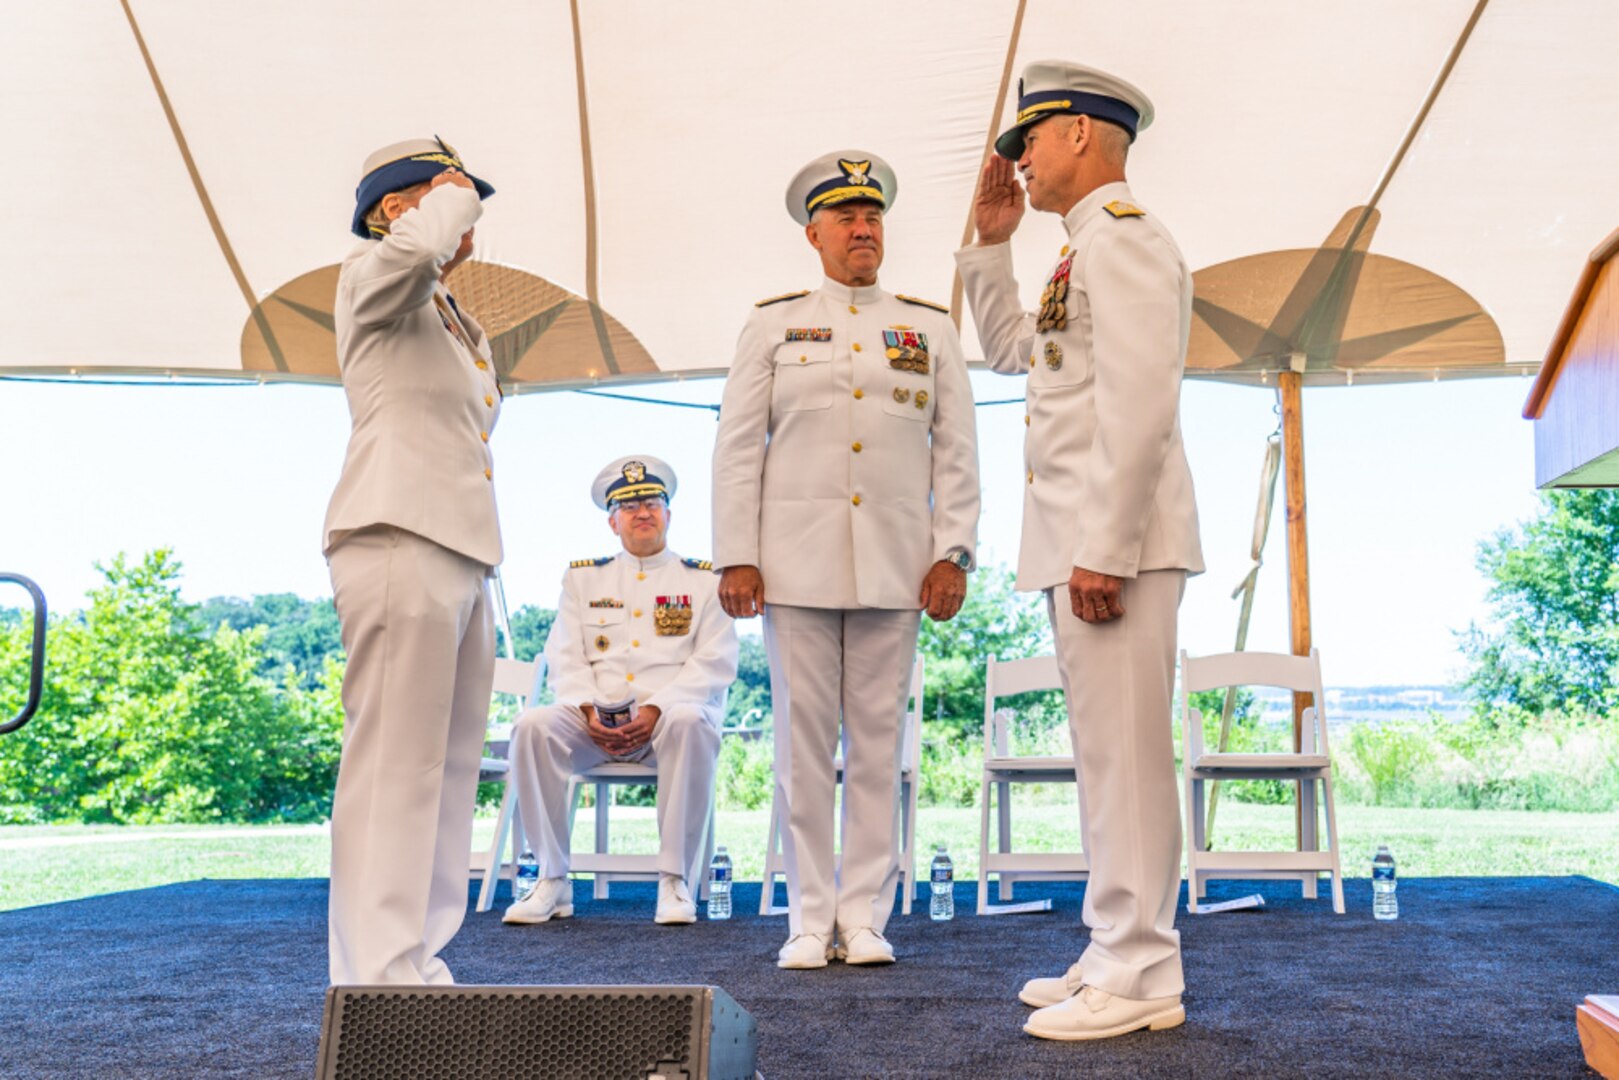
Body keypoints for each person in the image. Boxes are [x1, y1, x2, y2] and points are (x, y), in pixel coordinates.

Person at [955, 61, 1205, 1040]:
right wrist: (987, 246)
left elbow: (1139, 406)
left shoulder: (1126, 242)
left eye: (1027, 140)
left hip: (1117, 549)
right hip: (1083, 547)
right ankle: (1113, 948)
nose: (1016, 159)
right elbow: (1016, 352)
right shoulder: (1074, 251)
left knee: (1128, 760)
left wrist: (1100, 548)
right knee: (1104, 760)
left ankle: (1142, 970)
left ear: (1076, 135)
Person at [712, 151, 981, 969]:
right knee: (802, 746)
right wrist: (736, 556)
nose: (863, 230)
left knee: (876, 746)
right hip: (791, 567)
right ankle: (805, 917)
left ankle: (863, 915)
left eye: (873, 218)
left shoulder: (929, 327)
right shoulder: (771, 324)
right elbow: (736, 450)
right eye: (846, 219)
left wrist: (954, 551)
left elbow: (957, 451)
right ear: (814, 233)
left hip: (898, 566)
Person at [323, 137, 503, 986]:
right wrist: (444, 199)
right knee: (395, 761)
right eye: (448, 192)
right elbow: (420, 247)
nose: (469, 211)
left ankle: (414, 958)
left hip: (461, 547)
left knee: (446, 765)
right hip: (397, 533)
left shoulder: (450, 316)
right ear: (394, 208)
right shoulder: (373, 276)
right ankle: (374, 973)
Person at [502, 455, 738, 927]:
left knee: (691, 719)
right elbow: (565, 655)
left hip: (669, 724)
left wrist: (656, 708)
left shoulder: (705, 580)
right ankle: (552, 880)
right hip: (595, 724)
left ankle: (674, 881)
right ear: (612, 521)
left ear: (669, 514)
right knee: (531, 727)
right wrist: (587, 709)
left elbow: (716, 660)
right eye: (629, 507)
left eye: (652, 502)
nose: (642, 512)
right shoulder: (583, 579)